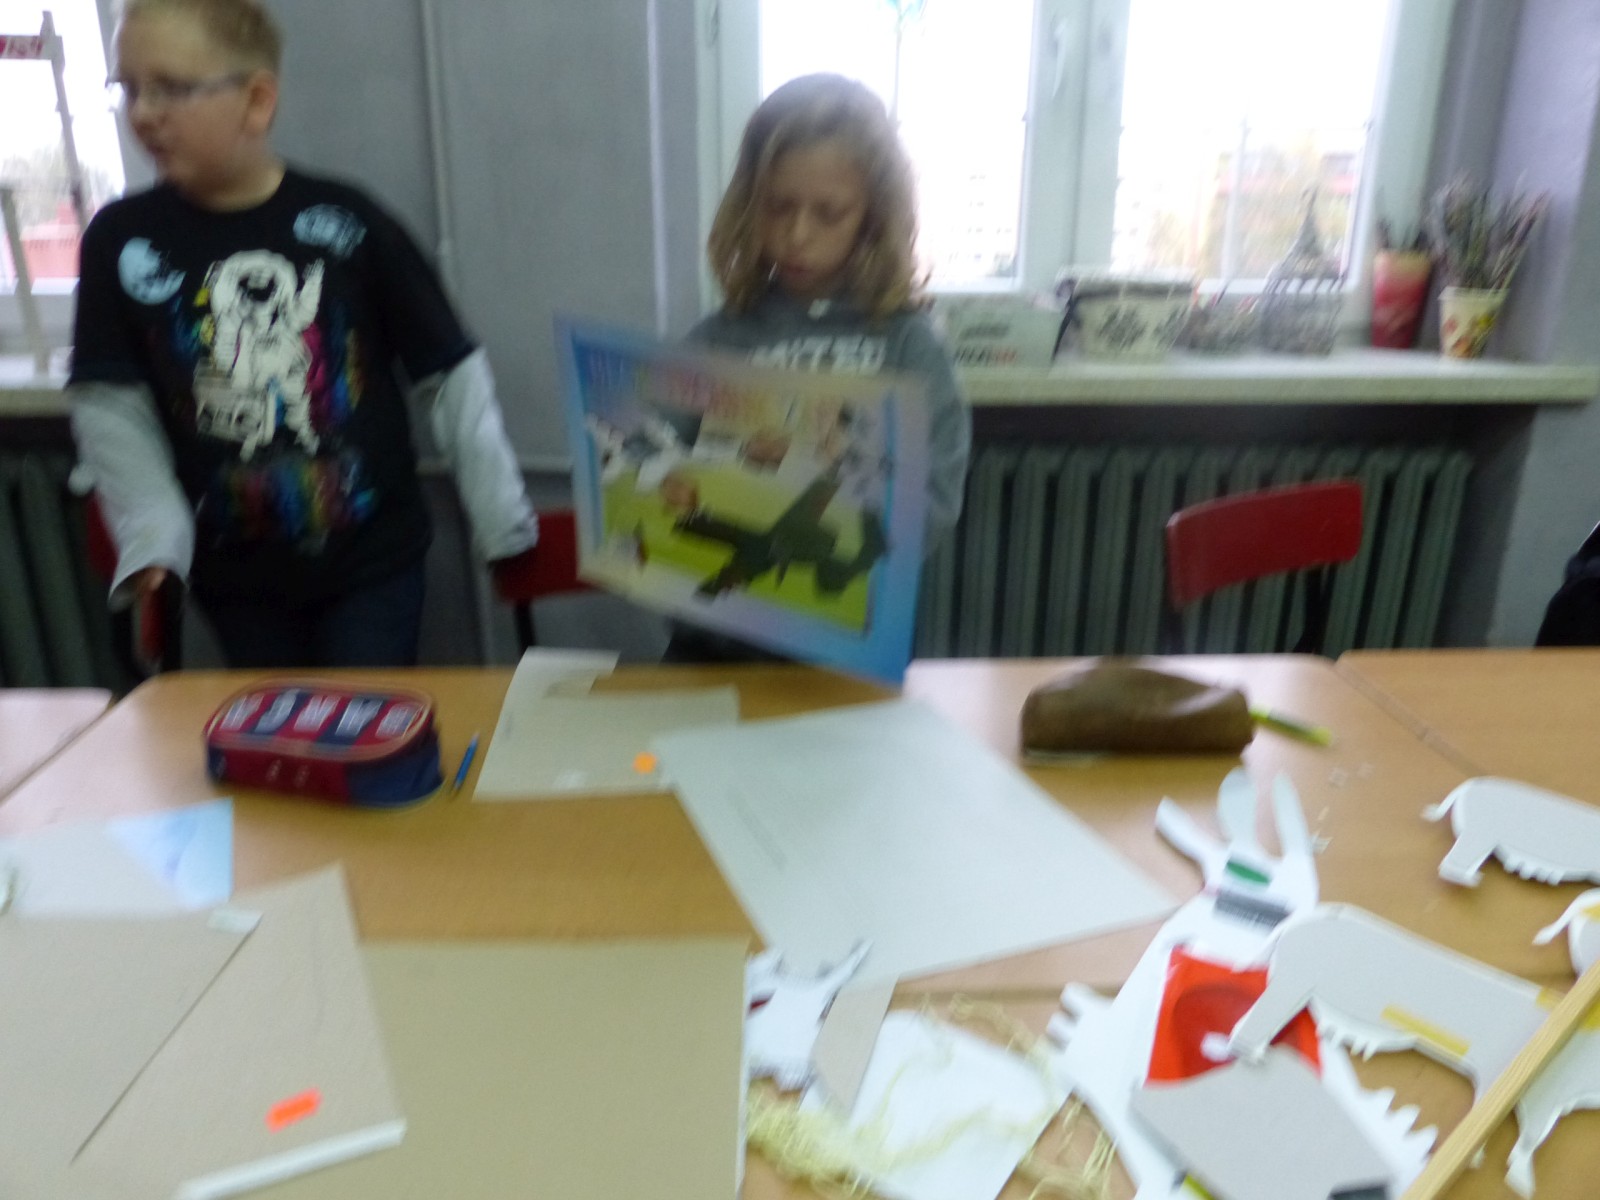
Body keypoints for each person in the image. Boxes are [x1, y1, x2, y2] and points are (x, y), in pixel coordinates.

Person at [69, 0, 537, 668]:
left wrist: (503, 522)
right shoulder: (120, 241)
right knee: (278, 724)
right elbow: (109, 405)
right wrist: (152, 540)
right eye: (129, 88)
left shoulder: (348, 222)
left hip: (371, 566)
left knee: (363, 716)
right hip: (236, 581)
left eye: (170, 88)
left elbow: (450, 373)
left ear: (256, 101)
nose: (143, 113)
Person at [666, 72, 972, 661]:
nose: (797, 235)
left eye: (829, 213)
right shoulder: (715, 340)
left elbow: (930, 504)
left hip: (844, 643)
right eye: (778, 206)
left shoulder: (909, 347)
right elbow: (661, 472)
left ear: (872, 217)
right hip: (714, 644)